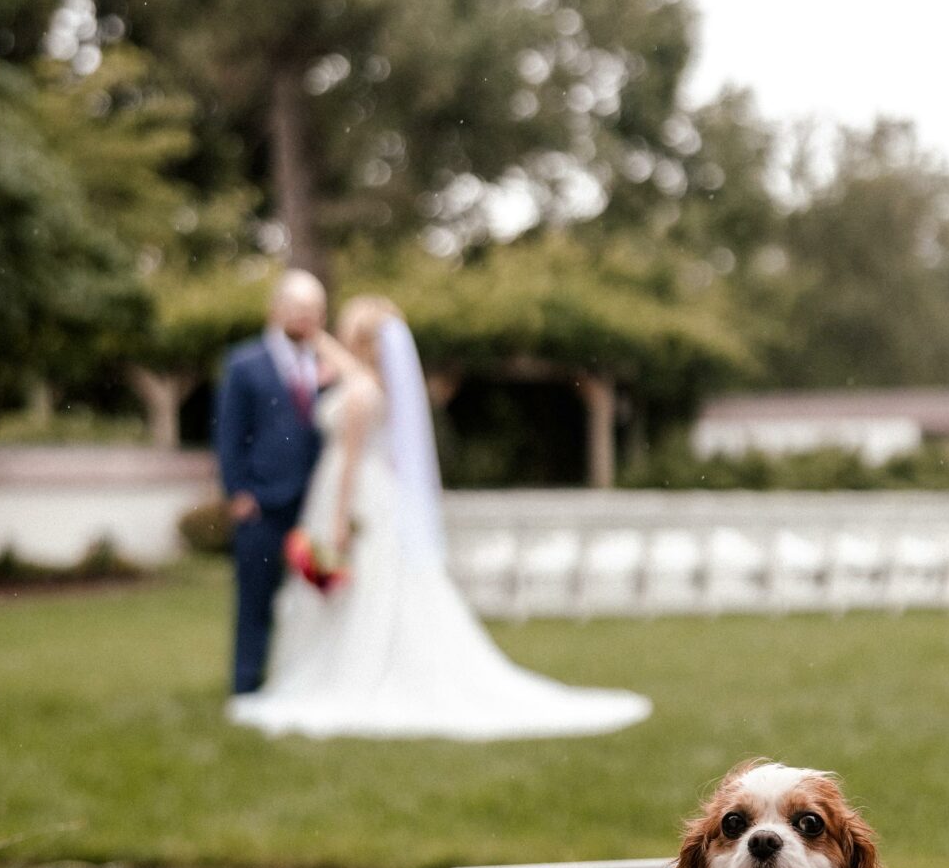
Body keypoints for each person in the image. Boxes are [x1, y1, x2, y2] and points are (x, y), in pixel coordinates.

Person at [227, 296, 651, 740]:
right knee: (375, 586)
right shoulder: (377, 386)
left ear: (360, 341)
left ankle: (353, 671)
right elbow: (351, 374)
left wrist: (337, 520)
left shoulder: (358, 393)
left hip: (352, 497)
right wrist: (319, 339)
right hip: (379, 496)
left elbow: (349, 463)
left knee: (363, 589)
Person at [214, 271, 371, 694]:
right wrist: (238, 492)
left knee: (315, 598)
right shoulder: (245, 364)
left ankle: (304, 681)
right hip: (263, 504)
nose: (305, 318)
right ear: (276, 309)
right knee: (256, 599)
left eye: (315, 311)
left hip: (314, 504)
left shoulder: (327, 367)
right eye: (298, 309)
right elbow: (228, 434)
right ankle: (246, 685)